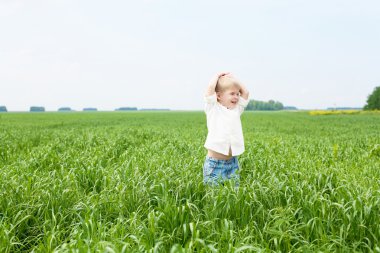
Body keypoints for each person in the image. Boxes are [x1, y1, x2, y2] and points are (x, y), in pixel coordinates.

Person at [203, 72, 250, 186]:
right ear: (218, 96)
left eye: (237, 94)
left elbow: (246, 93)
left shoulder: (237, 110)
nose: (236, 96)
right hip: (215, 164)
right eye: (232, 93)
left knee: (234, 197)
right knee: (214, 198)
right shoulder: (213, 108)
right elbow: (210, 90)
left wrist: (234, 79)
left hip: (233, 163)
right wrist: (217, 76)